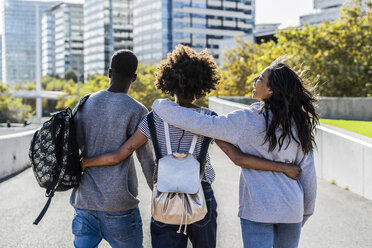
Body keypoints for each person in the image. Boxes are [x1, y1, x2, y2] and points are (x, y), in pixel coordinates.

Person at [81, 46, 301, 248]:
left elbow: (121, 154)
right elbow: (239, 159)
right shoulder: (209, 120)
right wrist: (283, 167)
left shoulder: (154, 118)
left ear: (168, 82)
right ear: (202, 84)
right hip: (200, 196)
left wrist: (86, 162)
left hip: (165, 196)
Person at [152, 59, 318, 248]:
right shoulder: (299, 125)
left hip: (257, 210)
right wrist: (304, 213)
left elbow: (198, 122)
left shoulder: (245, 121)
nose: (255, 79)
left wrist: (160, 105)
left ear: (271, 90)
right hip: (291, 209)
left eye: (260, 78)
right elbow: (308, 175)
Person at [70, 50, 155, 248]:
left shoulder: (86, 103)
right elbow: (147, 162)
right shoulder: (138, 110)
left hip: (84, 202)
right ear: (134, 78)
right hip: (119, 205)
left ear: (109, 72)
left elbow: (74, 147)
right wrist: (160, 196)